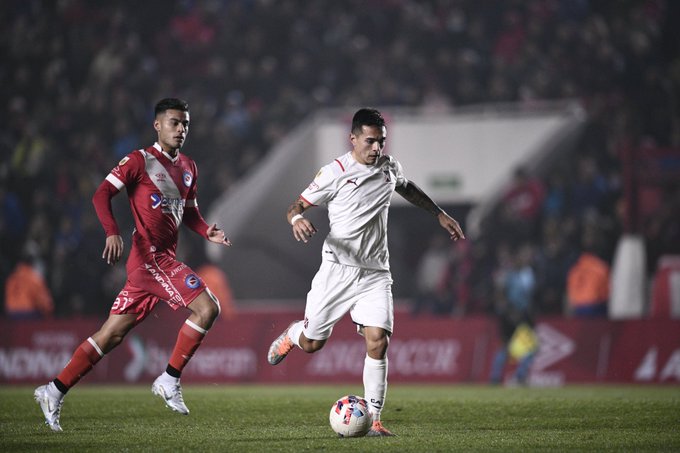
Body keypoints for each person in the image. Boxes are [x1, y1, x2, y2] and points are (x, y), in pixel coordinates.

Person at [34, 98, 232, 432]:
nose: (181, 129)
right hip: (150, 258)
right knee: (207, 307)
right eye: (174, 122)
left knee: (111, 335)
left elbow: (191, 213)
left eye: (185, 123)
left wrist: (205, 230)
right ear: (157, 125)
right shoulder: (139, 161)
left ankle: (53, 389)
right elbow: (101, 194)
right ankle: (169, 379)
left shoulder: (189, 167)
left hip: (160, 262)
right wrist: (112, 232)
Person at [266, 108, 465, 437]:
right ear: (354, 139)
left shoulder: (389, 167)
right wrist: (297, 220)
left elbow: (407, 186)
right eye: (371, 141)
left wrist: (439, 213)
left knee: (379, 342)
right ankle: (292, 335)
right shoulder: (335, 171)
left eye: (381, 142)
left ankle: (373, 420)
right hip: (337, 272)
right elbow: (296, 205)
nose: (377, 148)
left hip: (375, 273)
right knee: (313, 343)